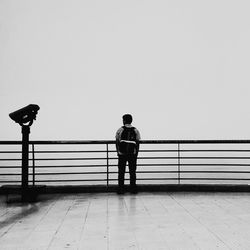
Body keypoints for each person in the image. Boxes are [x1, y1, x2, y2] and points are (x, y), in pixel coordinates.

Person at [115, 114, 141, 194]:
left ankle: (121, 189)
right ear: (131, 120)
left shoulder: (120, 130)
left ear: (124, 120)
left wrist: (118, 152)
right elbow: (137, 142)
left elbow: (117, 141)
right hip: (132, 154)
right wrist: (136, 153)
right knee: (132, 172)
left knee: (121, 172)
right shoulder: (136, 130)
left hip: (122, 154)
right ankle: (133, 189)